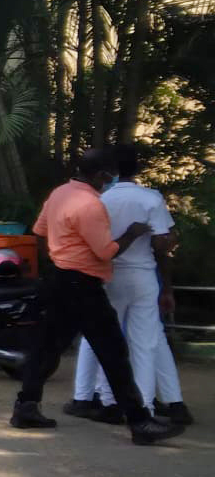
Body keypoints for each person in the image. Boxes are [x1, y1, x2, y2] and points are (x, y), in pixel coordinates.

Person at [13, 148, 180, 444]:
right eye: (109, 174)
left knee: (47, 348)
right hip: (83, 284)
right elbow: (105, 251)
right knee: (114, 352)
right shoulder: (90, 205)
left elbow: (39, 232)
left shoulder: (60, 194)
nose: (111, 179)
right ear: (101, 174)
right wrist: (131, 233)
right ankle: (140, 422)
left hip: (61, 279)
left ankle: (26, 406)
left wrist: (57, 259)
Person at [68, 144, 193, 425]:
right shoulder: (151, 198)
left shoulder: (99, 199)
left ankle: (101, 400)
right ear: (138, 168)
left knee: (101, 337)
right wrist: (167, 283)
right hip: (142, 276)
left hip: (107, 274)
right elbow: (162, 245)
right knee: (144, 343)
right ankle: (145, 407)